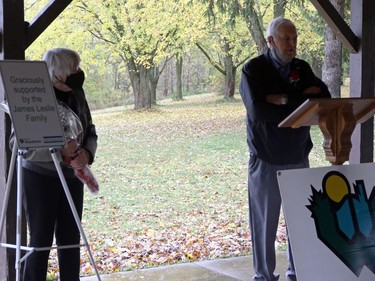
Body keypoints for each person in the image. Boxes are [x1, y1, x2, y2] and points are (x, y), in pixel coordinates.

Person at [239, 17, 331, 281]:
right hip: (266, 158)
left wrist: (281, 98)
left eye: (295, 38)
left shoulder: (301, 68)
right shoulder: (254, 70)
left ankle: (296, 274)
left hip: (298, 155)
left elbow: (323, 97)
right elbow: (258, 111)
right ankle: (264, 276)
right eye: (286, 38)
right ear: (270, 41)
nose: (292, 44)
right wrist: (302, 98)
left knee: (300, 224)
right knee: (264, 225)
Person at [19, 48, 98, 281]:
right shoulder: (34, 97)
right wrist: (57, 151)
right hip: (40, 178)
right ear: (58, 72)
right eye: (74, 68)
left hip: (73, 178)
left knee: (70, 240)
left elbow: (90, 130)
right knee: (40, 242)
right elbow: (20, 144)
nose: (79, 73)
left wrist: (87, 153)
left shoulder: (77, 93)